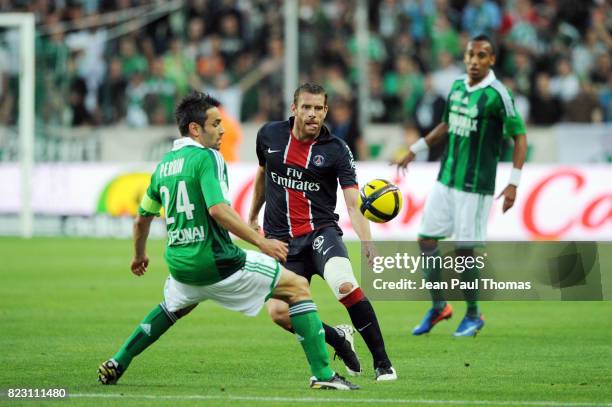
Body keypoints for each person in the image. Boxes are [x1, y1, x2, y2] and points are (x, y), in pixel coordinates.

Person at [97, 91, 358, 390]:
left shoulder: (164, 165)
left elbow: (141, 218)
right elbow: (218, 210)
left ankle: (119, 360)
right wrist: (262, 243)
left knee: (172, 307)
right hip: (218, 261)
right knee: (297, 288)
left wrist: (139, 255)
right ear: (195, 129)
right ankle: (323, 375)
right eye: (216, 124)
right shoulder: (208, 157)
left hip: (181, 264)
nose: (223, 130)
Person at [248, 83, 397, 381]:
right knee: (278, 313)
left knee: (344, 285)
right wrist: (252, 216)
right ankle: (338, 339)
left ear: (326, 111)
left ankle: (383, 364)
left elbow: (354, 205)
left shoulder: (337, 150)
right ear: (294, 109)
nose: (313, 114)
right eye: (306, 107)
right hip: (281, 242)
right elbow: (263, 174)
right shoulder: (269, 136)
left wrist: (367, 242)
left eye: (318, 108)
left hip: (321, 234)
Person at [393, 34, 528, 337]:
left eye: (482, 56)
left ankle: (474, 314)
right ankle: (440, 306)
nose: (474, 61)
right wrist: (415, 148)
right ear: (465, 57)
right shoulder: (455, 87)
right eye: (470, 55)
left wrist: (513, 183)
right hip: (446, 177)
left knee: (463, 251)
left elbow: (519, 136)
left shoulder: (498, 95)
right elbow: (446, 125)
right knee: (426, 240)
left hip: (475, 185)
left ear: (491, 60)